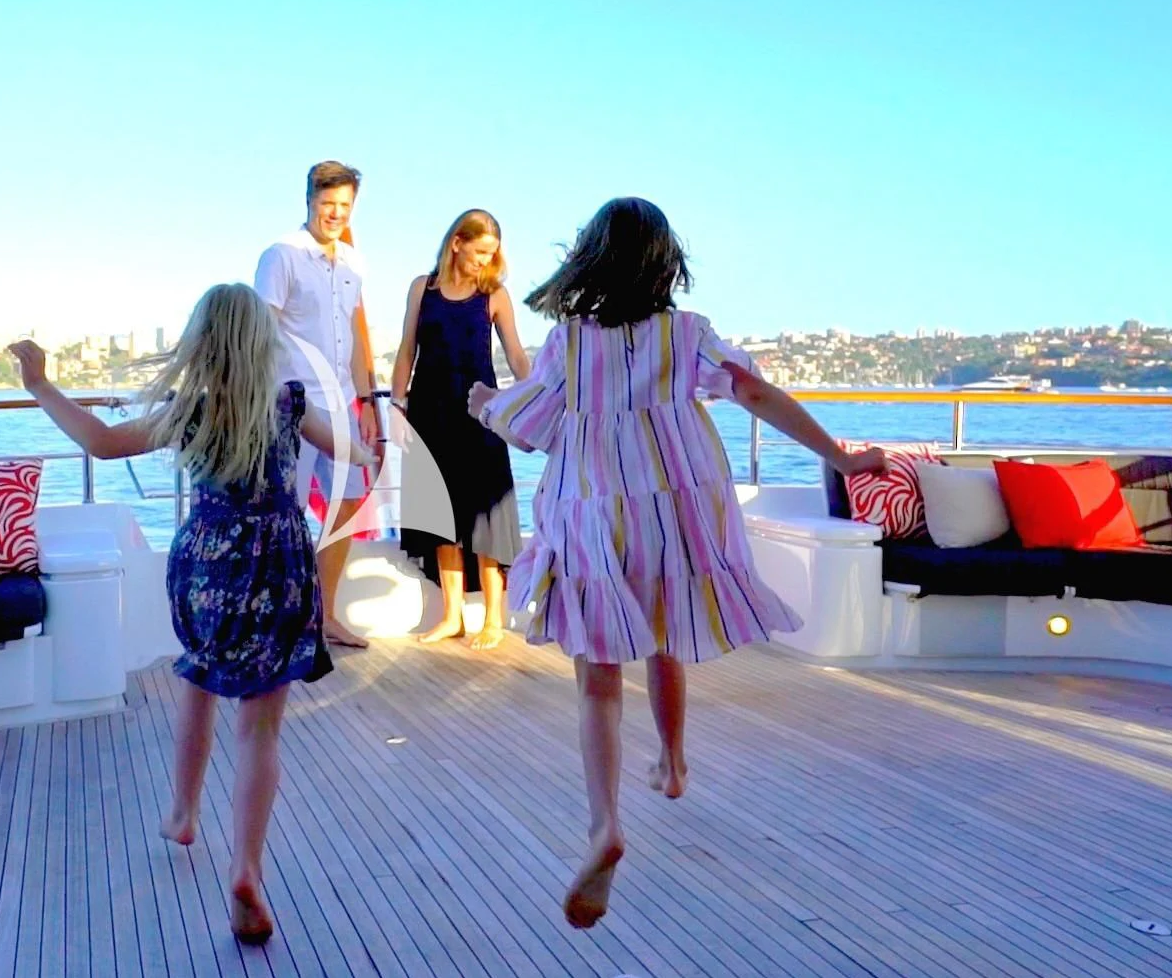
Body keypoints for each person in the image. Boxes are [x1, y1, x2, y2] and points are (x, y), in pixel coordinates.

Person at [466, 197, 888, 930]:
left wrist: (482, 405)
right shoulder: (687, 335)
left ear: (588, 258)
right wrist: (842, 457)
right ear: (667, 263)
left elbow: (528, 427)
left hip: (595, 511)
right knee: (668, 632)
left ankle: (604, 825)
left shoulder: (570, 343)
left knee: (597, 674)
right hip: (675, 514)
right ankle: (673, 761)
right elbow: (754, 392)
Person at [10, 283, 375, 946]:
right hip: (279, 564)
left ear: (200, 343)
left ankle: (183, 813)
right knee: (260, 730)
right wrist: (367, 453)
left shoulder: (188, 411)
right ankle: (246, 867)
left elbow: (101, 441)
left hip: (207, 563)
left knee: (200, 681)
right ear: (263, 344)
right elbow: (350, 455)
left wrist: (41, 385)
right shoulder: (289, 403)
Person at [391, 209, 532, 650]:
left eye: (492, 253)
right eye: (480, 251)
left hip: (479, 415)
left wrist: (535, 399)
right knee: (440, 516)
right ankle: (451, 615)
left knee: (486, 512)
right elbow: (406, 350)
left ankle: (494, 617)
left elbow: (516, 356)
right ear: (457, 243)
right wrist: (396, 406)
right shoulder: (423, 288)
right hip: (429, 413)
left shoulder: (494, 294)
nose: (486, 261)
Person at [254, 160, 377, 649]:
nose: (335, 214)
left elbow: (357, 333)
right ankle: (278, 618)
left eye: (344, 206)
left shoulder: (354, 262)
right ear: (309, 200)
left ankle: (324, 613)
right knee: (285, 510)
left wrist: (368, 400)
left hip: (344, 402)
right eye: (328, 204)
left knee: (347, 504)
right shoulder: (280, 255)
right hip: (292, 403)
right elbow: (260, 331)